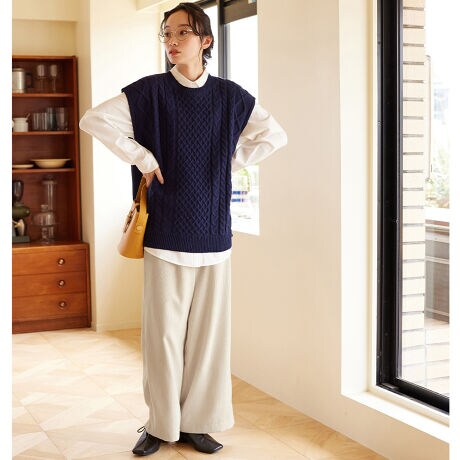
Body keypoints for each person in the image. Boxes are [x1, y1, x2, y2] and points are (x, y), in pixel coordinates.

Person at [79, 2, 287, 456]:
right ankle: (160, 425)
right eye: (167, 33)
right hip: (165, 233)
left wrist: (229, 163)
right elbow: (93, 119)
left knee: (209, 340)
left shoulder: (231, 97)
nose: (172, 41)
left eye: (182, 33)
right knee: (162, 338)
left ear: (205, 41)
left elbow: (275, 135)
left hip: (214, 235)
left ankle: (198, 423)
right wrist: (143, 157)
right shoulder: (149, 92)